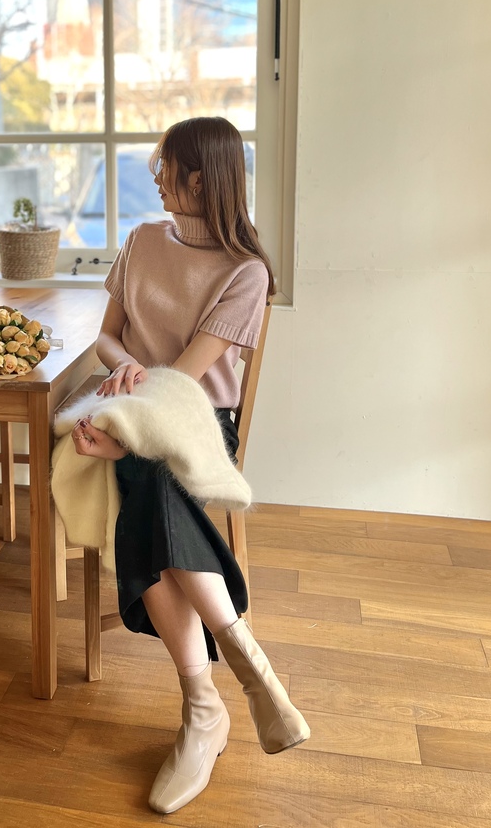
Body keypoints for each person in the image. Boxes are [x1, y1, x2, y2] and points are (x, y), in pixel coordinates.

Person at [70, 116, 309, 815]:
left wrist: (131, 427)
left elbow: (184, 382)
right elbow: (107, 339)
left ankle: (205, 709)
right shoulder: (143, 240)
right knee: (150, 478)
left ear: (199, 179)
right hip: (136, 405)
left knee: (148, 476)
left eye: (165, 166)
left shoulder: (246, 272)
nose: (154, 176)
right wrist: (127, 375)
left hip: (199, 420)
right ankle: (242, 678)